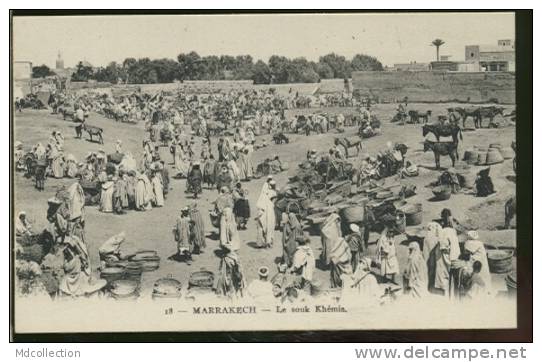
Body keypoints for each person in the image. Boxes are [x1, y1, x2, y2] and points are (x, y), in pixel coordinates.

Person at [256, 181, 277, 249]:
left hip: (262, 212)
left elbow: (259, 204)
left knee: (261, 227)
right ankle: (268, 242)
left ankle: (261, 243)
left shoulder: (264, 193)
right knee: (269, 227)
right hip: (268, 212)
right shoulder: (273, 193)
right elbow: (273, 202)